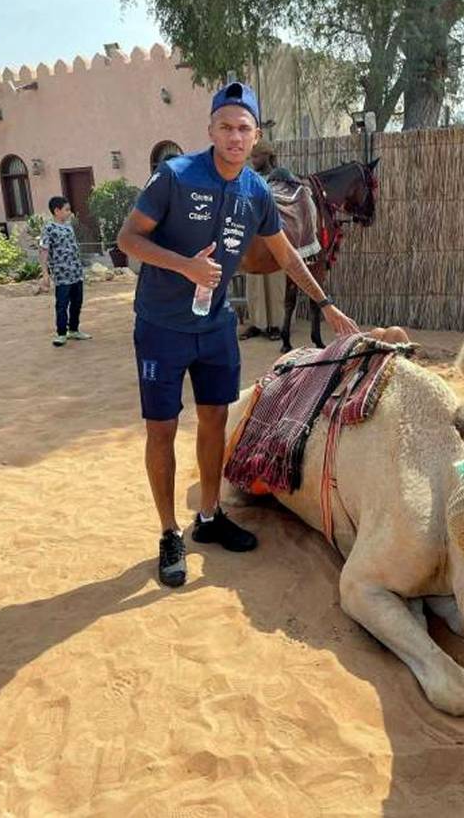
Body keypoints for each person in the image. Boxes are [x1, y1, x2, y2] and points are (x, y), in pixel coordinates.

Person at [116, 81, 359, 587]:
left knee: (214, 421)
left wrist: (326, 304)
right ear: (210, 130)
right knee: (161, 429)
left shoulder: (255, 191)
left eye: (243, 129)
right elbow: (127, 239)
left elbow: (286, 254)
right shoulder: (175, 177)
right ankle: (168, 534)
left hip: (216, 327)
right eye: (225, 127)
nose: (234, 136)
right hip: (162, 327)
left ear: (255, 137)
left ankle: (208, 516)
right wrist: (184, 266)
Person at [239, 138, 284, 341]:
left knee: (275, 281)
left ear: (267, 155)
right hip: (253, 239)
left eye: (256, 156)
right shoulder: (248, 178)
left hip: (275, 237)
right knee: (255, 281)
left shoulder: (280, 178)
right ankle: (257, 323)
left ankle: (276, 325)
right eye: (252, 157)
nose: (253, 160)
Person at [39, 196, 93, 347]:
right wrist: (45, 274)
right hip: (62, 274)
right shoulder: (49, 228)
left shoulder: (69, 227)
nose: (70, 213)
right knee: (62, 304)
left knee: (77, 302)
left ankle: (74, 330)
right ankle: (61, 334)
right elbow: (43, 250)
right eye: (67, 210)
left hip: (76, 272)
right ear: (56, 211)